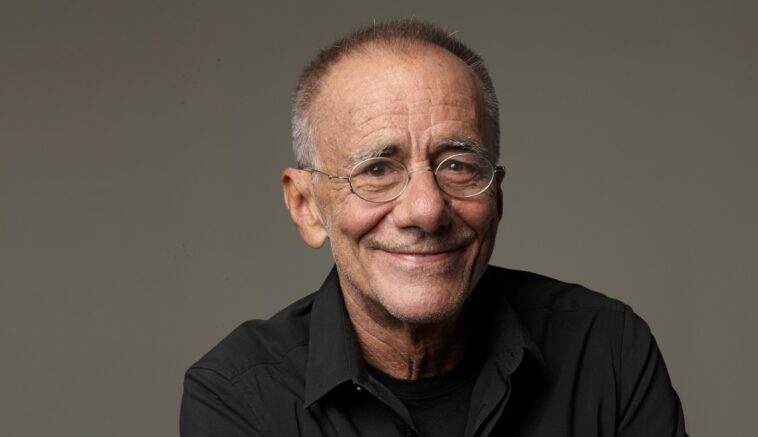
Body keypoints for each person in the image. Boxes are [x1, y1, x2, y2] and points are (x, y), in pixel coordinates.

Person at [180, 20, 688, 437]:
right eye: (377, 170)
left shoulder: (608, 351)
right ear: (306, 206)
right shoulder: (239, 397)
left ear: (496, 195)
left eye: (458, 165)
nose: (426, 210)